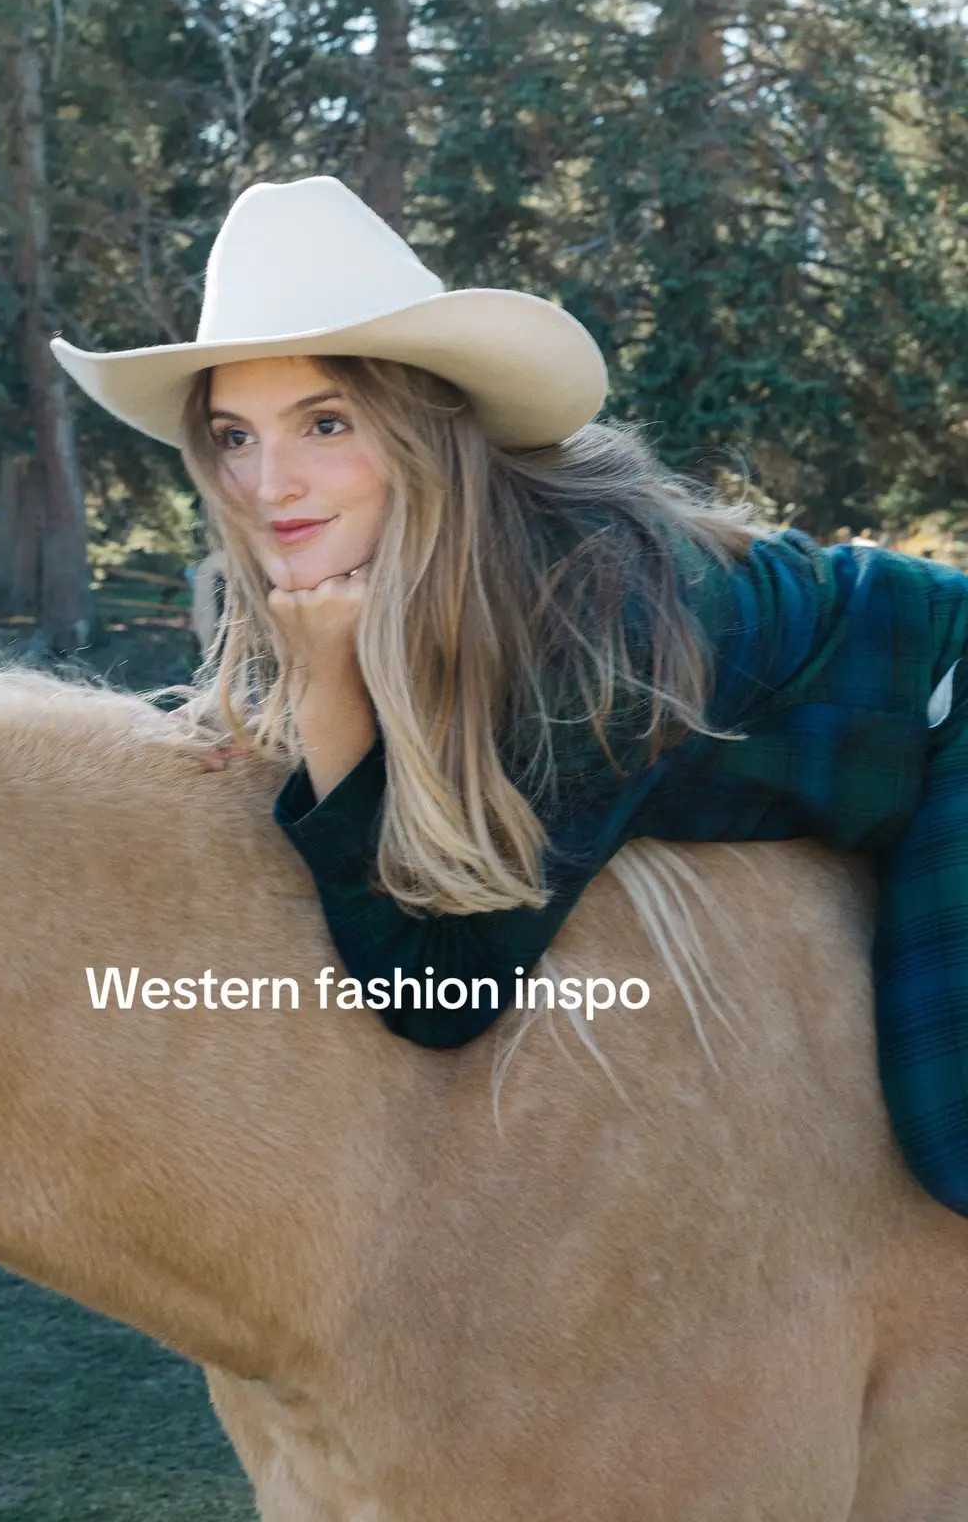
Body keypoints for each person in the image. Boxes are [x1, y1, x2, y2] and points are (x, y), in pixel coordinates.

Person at [51, 175, 968, 1219]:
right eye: (235, 434)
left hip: (951, 698)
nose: (269, 484)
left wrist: (329, 698)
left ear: (421, 426)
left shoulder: (591, 616)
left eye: (324, 421)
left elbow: (440, 991)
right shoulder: (372, 562)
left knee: (956, 1139)